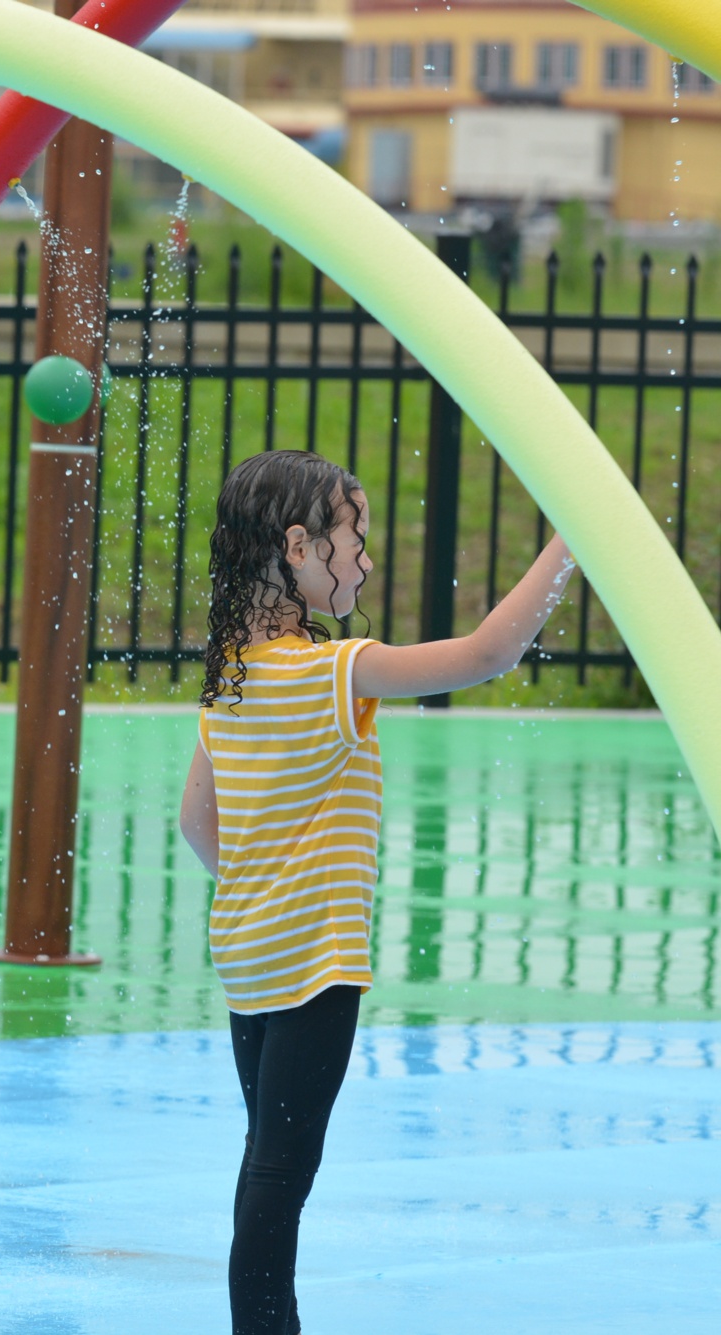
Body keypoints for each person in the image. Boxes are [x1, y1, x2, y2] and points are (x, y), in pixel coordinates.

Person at [177, 449, 576, 1334]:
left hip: (247, 956)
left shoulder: (229, 676)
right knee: (280, 1176)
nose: (366, 557)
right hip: (315, 963)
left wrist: (268, 880)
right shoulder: (333, 671)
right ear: (298, 546)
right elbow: (487, 653)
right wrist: (570, 544)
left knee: (266, 1160)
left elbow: (196, 823)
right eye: (355, 537)